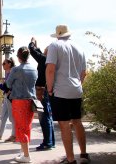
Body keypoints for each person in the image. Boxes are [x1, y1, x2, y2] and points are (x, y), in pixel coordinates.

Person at [46, 25, 89, 164]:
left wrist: (50, 89)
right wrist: (78, 85)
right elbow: (84, 73)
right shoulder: (80, 48)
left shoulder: (54, 45)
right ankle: (84, 154)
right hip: (76, 90)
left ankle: (71, 160)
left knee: (64, 125)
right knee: (77, 122)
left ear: (58, 35)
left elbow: (50, 70)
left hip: (60, 91)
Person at [6, 46, 38, 163]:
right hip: (30, 101)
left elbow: (8, 84)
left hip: (19, 101)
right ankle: (24, 152)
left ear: (19, 57)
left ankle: (26, 156)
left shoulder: (16, 70)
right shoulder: (34, 69)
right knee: (27, 127)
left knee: (21, 128)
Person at [28, 37, 55, 150]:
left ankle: (47, 143)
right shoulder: (50, 60)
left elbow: (33, 51)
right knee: (48, 116)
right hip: (47, 90)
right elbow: (38, 53)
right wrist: (37, 46)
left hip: (41, 91)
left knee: (44, 118)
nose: (43, 51)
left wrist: (32, 43)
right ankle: (50, 142)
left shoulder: (45, 59)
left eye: (44, 50)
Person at [0, 58, 16, 142]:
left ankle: (14, 135)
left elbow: (9, 85)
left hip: (10, 97)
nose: (3, 65)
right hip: (7, 97)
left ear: (9, 64)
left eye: (4, 63)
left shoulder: (12, 72)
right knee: (3, 117)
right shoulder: (8, 72)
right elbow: (6, 86)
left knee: (12, 117)